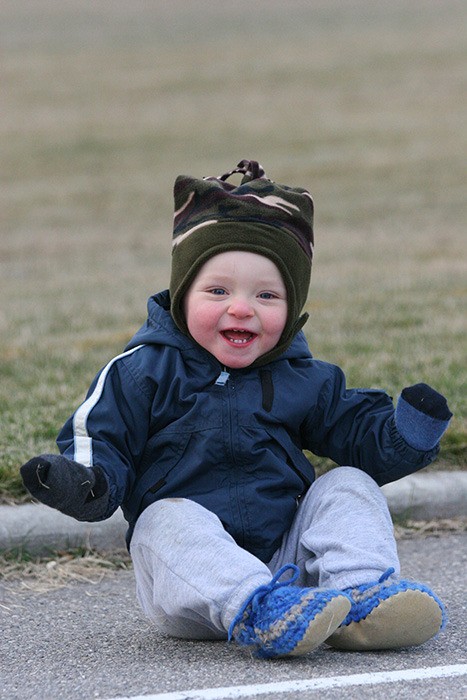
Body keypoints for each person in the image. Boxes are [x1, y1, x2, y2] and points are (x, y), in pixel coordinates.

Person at [21, 160, 453, 659]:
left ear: (292, 311)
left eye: (267, 295)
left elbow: (357, 434)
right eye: (218, 291)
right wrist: (84, 481)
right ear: (183, 295)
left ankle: (362, 600)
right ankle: (256, 609)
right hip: (187, 579)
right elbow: (102, 436)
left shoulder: (303, 376)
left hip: (287, 567)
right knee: (165, 517)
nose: (242, 308)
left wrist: (405, 435)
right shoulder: (143, 371)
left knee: (347, 483)